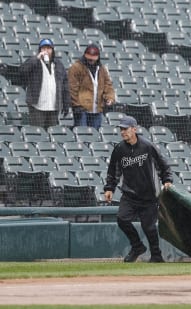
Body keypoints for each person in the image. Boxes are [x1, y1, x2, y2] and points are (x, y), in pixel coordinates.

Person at [104, 116, 173, 263]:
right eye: (121, 129)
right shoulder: (119, 149)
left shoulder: (147, 146)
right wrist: (109, 188)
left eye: (126, 129)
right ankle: (137, 247)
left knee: (149, 227)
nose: (123, 132)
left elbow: (163, 164)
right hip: (129, 195)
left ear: (134, 129)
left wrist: (166, 180)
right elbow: (113, 170)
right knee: (122, 219)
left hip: (149, 195)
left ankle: (156, 256)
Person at [19, 38, 71, 129]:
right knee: (38, 133)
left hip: (54, 107)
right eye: (43, 48)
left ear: (52, 50)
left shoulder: (59, 65)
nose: (46, 51)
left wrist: (66, 103)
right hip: (37, 106)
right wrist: (36, 58)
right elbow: (23, 71)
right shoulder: (34, 62)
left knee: (52, 134)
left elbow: (65, 86)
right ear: (40, 50)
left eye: (48, 48)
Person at [68, 44, 116, 129]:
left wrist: (110, 98)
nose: (91, 60)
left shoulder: (101, 69)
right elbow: (72, 88)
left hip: (97, 109)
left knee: (96, 135)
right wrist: (77, 105)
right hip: (82, 109)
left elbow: (108, 85)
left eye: (93, 58)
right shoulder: (76, 67)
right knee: (83, 134)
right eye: (89, 58)